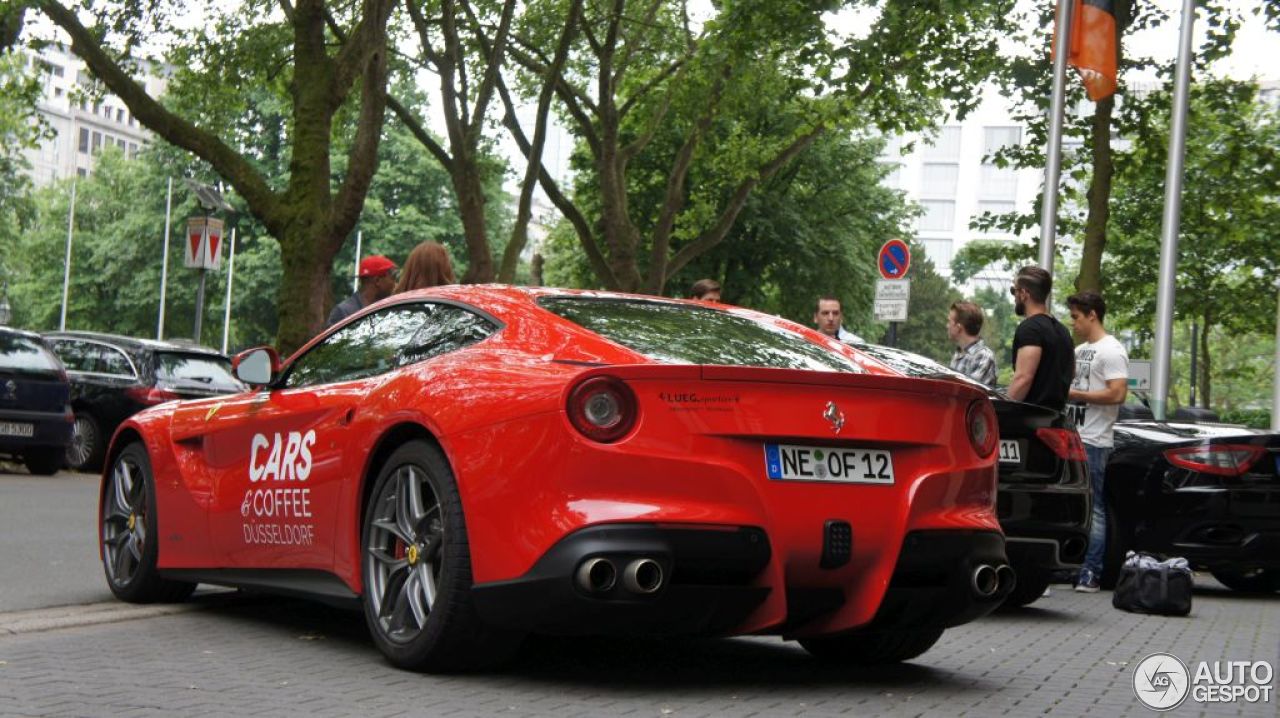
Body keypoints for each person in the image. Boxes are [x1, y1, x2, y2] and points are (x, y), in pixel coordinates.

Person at [1065, 291, 1129, 593]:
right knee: (1075, 507)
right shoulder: (1081, 351)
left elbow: (1117, 393)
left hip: (1094, 440)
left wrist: (1077, 396)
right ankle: (1073, 567)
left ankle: (1091, 572)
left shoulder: (1112, 350)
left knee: (1096, 509)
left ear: (1092, 315)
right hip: (1073, 437)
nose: (1073, 322)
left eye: (1077, 316)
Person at [1006, 266, 1074, 411]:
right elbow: (1071, 374)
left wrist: (1001, 411)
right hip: (1058, 421)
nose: (1014, 297)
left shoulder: (1030, 329)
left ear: (1024, 293)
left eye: (1014, 291)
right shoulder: (1064, 331)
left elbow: (1023, 378)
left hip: (1030, 423)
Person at [327, 255, 398, 328]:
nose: (395, 283)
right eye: (393, 278)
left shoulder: (386, 311)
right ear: (377, 281)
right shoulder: (344, 312)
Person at [947, 301, 997, 387]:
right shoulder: (959, 354)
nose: (947, 326)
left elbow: (969, 392)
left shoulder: (984, 356)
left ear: (959, 327)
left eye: (949, 321)